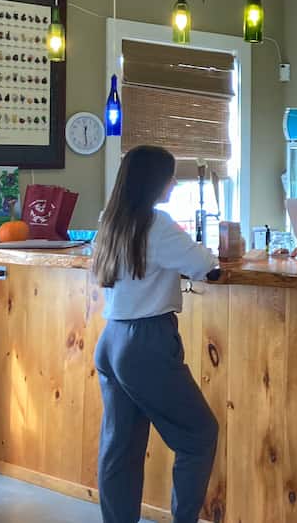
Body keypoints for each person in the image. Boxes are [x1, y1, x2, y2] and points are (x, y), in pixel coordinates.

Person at [91, 145, 219, 523]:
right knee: (198, 435)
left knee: (120, 449)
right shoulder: (157, 224)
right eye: (169, 175)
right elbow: (203, 265)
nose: (174, 182)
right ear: (154, 181)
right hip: (146, 342)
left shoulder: (109, 220)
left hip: (111, 339)